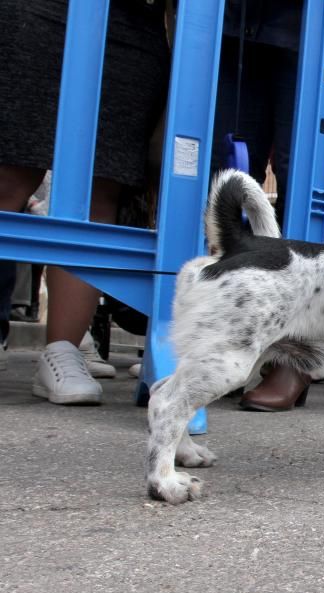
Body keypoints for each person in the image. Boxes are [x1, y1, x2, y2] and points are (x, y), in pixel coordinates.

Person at [0, 0, 169, 405]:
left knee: (99, 186)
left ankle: (63, 349)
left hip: (132, 22)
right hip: (35, 10)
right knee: (10, 175)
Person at [210, 0, 303, 230]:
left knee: (297, 184)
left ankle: (281, 259)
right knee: (226, 176)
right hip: (238, 32)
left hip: (312, 35)